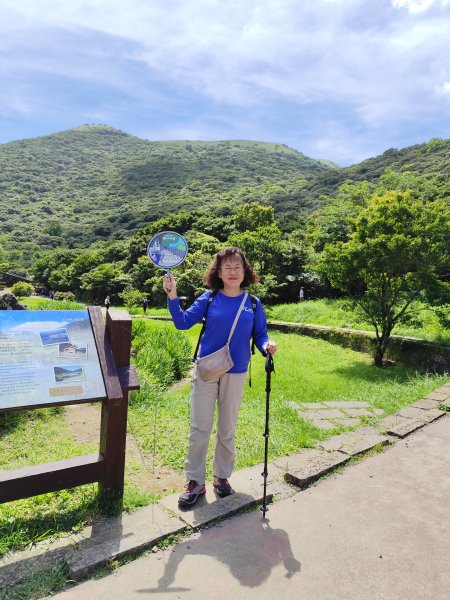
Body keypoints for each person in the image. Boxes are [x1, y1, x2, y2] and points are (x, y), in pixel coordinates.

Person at [163, 246, 277, 508]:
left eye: (238, 267)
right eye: (228, 268)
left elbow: (260, 334)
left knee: (228, 428)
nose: (233, 272)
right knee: (199, 427)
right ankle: (195, 483)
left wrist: (267, 345)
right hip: (207, 370)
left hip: (236, 372)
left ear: (245, 271)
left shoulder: (253, 303)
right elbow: (183, 322)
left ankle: (221, 477)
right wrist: (172, 296)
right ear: (219, 272)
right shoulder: (209, 298)